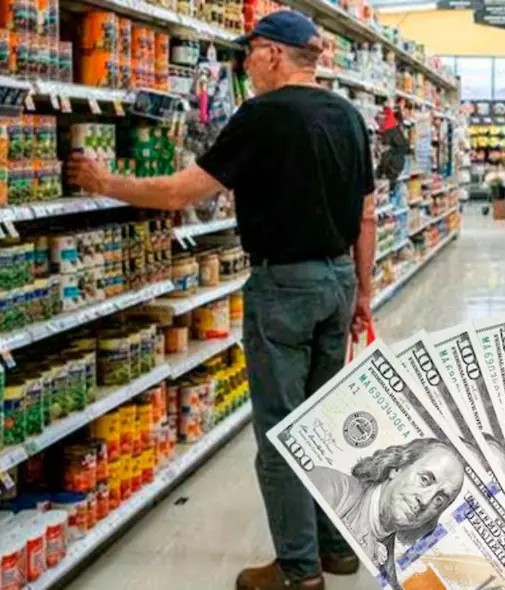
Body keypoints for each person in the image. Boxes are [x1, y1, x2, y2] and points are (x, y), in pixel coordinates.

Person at [66, 10, 375, 590]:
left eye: (249, 53)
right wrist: (363, 290)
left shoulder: (262, 115)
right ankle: (336, 550)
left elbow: (184, 191)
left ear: (276, 55)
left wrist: (107, 183)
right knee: (322, 424)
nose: (244, 65)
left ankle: (298, 570)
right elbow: (365, 214)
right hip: (338, 282)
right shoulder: (349, 115)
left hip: (285, 286)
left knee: (282, 431)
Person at [306, 439, 464, 587]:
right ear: (397, 468)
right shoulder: (329, 487)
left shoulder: (387, 578)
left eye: (439, 500)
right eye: (425, 480)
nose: (425, 500)